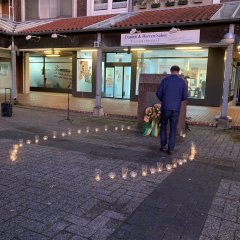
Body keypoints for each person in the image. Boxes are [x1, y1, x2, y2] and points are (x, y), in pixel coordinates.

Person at [156, 65, 188, 155]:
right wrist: (177, 100)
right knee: (173, 128)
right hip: (176, 108)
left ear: (171, 71)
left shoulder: (165, 80)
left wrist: (164, 100)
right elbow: (185, 96)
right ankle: (170, 149)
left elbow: (158, 93)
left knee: (163, 126)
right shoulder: (182, 82)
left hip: (166, 107)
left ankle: (163, 145)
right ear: (178, 71)